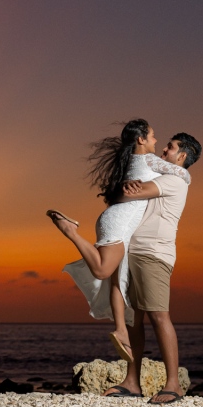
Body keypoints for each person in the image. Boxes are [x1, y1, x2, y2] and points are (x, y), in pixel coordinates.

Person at [47, 120, 190, 362]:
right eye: (154, 137)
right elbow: (181, 173)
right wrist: (185, 173)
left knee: (118, 281)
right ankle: (70, 230)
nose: (157, 142)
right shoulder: (149, 160)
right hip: (121, 221)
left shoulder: (132, 160)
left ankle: (122, 330)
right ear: (141, 140)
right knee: (103, 270)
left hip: (117, 219)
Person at [101, 132, 202, 403]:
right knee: (135, 320)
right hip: (136, 250)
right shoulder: (163, 177)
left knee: (159, 316)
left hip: (154, 253)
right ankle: (132, 382)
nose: (164, 150)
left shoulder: (174, 180)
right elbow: (128, 193)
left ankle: (173, 385)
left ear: (181, 157)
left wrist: (133, 185)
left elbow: (133, 191)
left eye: (170, 147)